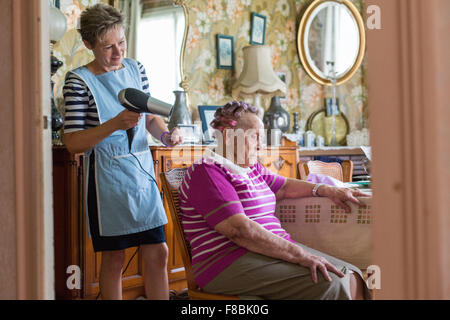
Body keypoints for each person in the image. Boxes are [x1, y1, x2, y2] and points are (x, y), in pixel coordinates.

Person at [179, 101, 371, 300]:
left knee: (350, 274)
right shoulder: (208, 171)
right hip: (226, 263)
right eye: (255, 137)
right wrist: (299, 254)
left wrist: (327, 190)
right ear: (228, 136)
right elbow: (240, 231)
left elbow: (285, 186)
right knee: (332, 281)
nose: (262, 145)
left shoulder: (250, 168)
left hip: (262, 252)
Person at [63, 3, 182, 300]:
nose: (118, 54)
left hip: (141, 179)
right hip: (107, 183)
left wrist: (166, 135)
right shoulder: (78, 81)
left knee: (159, 252)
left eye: (122, 43)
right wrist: (114, 124)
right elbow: (73, 142)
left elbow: (151, 118)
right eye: (108, 47)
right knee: (114, 259)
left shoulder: (135, 69)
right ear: (88, 44)